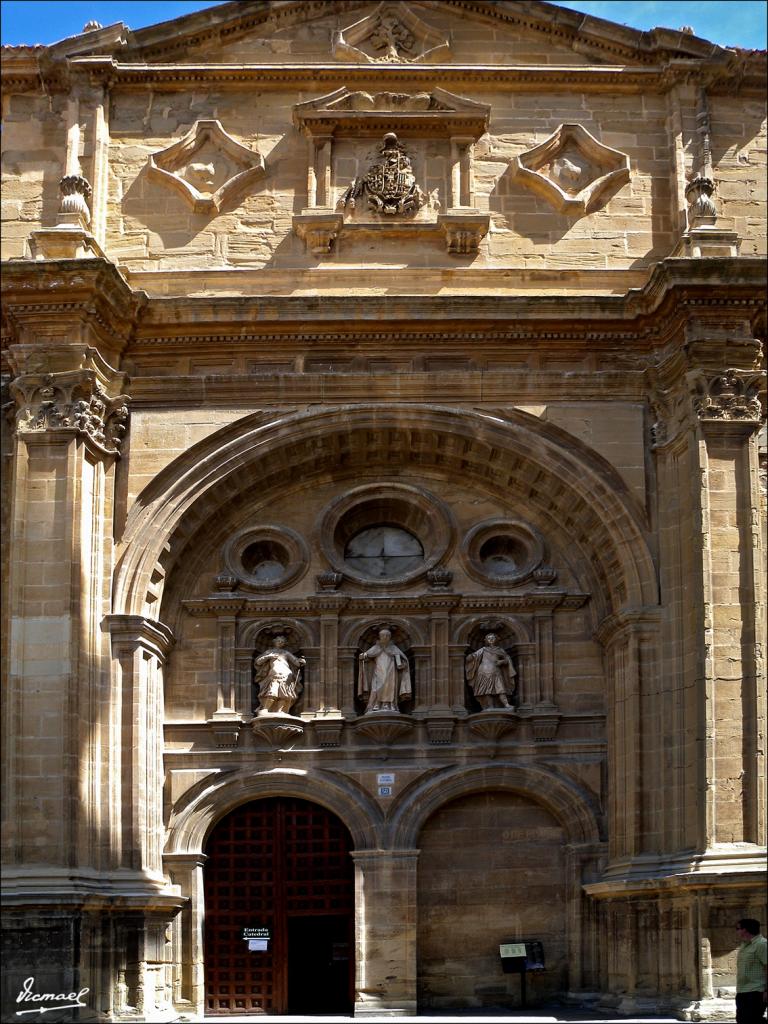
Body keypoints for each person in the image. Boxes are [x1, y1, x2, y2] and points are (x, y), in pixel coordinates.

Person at [358, 628, 412, 713]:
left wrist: (403, 664)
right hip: (378, 671)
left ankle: (389, 705)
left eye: (387, 635)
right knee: (377, 687)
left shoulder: (394, 648)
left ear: (390, 637)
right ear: (379, 637)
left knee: (389, 686)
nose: (385, 637)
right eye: (383, 635)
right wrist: (363, 655)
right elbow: (368, 655)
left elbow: (403, 659)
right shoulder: (376, 647)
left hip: (391, 671)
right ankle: (376, 704)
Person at [253, 635, 305, 715]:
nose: (280, 643)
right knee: (272, 692)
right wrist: (269, 656)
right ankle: (265, 709)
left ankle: (280, 711)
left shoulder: (285, 653)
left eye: (282, 642)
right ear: (274, 642)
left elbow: (296, 662)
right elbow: (258, 662)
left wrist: (301, 661)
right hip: (274, 675)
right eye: (279, 641)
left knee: (284, 694)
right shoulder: (270, 652)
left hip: (287, 675)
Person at [465, 632, 516, 709]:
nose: (491, 639)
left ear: (496, 639)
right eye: (489, 638)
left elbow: (507, 659)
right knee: (486, 691)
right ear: (486, 640)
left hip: (496, 671)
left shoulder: (500, 650)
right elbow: (474, 656)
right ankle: (490, 706)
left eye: (493, 638)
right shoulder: (483, 650)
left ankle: (506, 704)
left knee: (501, 689)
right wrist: (470, 657)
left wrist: (502, 661)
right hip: (483, 671)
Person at [735, 919, 768, 1024]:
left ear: (745, 930)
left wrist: (766, 990)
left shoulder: (762, 944)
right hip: (742, 991)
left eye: (738, 929)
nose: (737, 931)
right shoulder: (745, 945)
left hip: (756, 991)